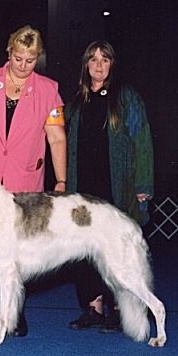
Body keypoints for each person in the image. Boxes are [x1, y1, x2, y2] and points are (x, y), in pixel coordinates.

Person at [0, 25, 67, 336]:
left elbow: (56, 138)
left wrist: (60, 182)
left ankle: (15, 316)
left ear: (38, 58)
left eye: (30, 60)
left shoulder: (49, 89)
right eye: (18, 58)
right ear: (9, 52)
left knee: (22, 254)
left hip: (25, 186)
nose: (23, 65)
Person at [65, 40, 154, 333]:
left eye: (105, 60)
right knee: (83, 248)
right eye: (93, 60)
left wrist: (143, 184)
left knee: (117, 251)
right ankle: (93, 308)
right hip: (82, 189)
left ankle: (119, 310)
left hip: (117, 187)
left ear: (112, 64)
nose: (99, 65)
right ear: (86, 65)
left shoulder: (126, 96)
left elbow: (142, 141)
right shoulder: (77, 99)